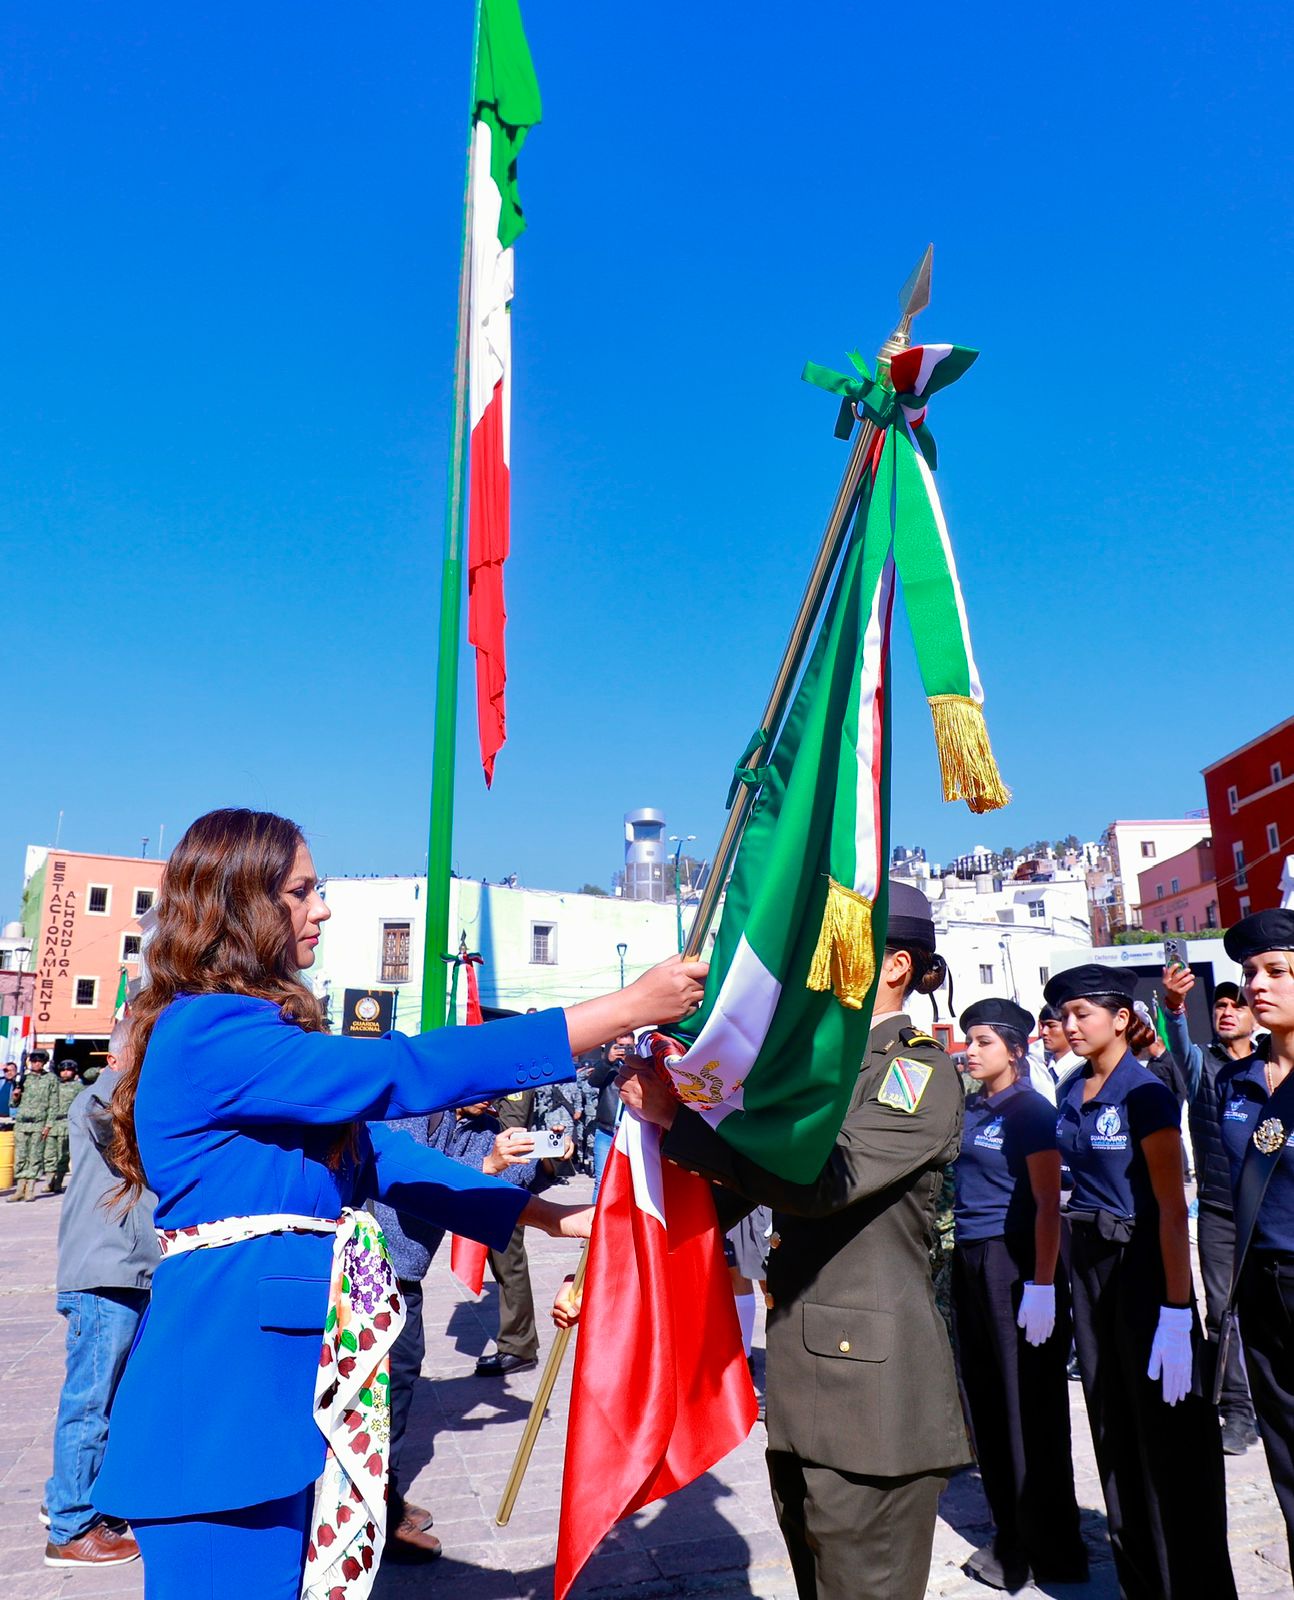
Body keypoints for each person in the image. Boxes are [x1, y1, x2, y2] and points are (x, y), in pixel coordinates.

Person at [90, 807, 706, 1598]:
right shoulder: (211, 1032)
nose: (323, 908)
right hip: (221, 1404)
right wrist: (620, 1009)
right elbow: (404, 1072)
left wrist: (545, 1217)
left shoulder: (244, 1034)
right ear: (244, 902)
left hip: (268, 1393)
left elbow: (379, 1152)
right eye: (302, 891)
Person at [618, 881, 969, 1600]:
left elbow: (822, 1181)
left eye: (836, 951)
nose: (816, 972)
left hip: (876, 1410)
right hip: (811, 1398)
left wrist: (683, 1124)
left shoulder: (917, 1070)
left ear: (894, 967)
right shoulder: (822, 1078)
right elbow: (732, 1188)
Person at [1045, 963, 1235, 1600]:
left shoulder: (1144, 1092)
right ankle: (1141, 1581)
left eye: (1082, 1014)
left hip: (1144, 1269)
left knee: (1169, 1436)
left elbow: (1171, 1205)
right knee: (1112, 1423)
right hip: (1089, 1266)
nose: (1070, 1026)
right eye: (1064, 1015)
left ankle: (1193, 1581)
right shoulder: (1073, 1090)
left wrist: (1178, 1312)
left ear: (1122, 1019)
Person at [951, 999, 1086, 1593]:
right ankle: (1011, 1531)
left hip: (1014, 1264)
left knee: (1025, 1407)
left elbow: (1048, 1203)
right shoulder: (977, 1107)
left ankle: (1047, 1543)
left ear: (1015, 1048)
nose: (971, 1051)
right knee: (987, 1402)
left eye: (982, 1041)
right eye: (969, 1041)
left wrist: (1040, 1283)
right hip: (973, 1260)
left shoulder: (1030, 1111)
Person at [43, 1019, 157, 1569]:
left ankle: (90, 1502)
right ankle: (70, 1526)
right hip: (103, 1274)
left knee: (110, 1400)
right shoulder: (104, 1096)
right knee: (89, 1402)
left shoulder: (121, 1092)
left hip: (127, 1268)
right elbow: (129, 1144)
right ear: (118, 1057)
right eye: (148, 1047)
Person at [1215, 910, 1294, 1566]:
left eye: (1275, 971)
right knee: (1289, 1463)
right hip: (1262, 1283)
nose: (1256, 986)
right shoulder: (1236, 1081)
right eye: (1249, 975)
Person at [1159, 966, 1260, 1453]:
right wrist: (1174, 1008)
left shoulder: (1271, 1065)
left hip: (1270, 1211)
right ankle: (1238, 1412)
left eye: (1234, 1004)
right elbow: (1178, 1047)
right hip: (1220, 1212)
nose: (1225, 1011)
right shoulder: (1202, 1065)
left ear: (1254, 1015)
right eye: (1219, 1005)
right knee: (1224, 1314)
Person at [587, 1033, 631, 1197]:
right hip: (606, 1131)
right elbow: (593, 1082)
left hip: (630, 1132)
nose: (624, 1050)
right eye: (620, 1046)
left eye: (628, 1047)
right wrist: (607, 1061)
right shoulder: (607, 1068)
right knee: (601, 1181)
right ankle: (594, 1221)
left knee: (630, 1182)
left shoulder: (641, 1069)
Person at [9, 1048, 55, 1202]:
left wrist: (48, 1125)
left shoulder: (50, 1079)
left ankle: (30, 1189)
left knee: (35, 1156)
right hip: (22, 1124)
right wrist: (15, 1096)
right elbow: (13, 1104)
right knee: (20, 1157)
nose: (36, 1063)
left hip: (38, 1124)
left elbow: (54, 1104)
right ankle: (19, 1190)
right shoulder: (23, 1079)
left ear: (44, 1062)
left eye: (39, 1061)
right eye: (34, 1060)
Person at [46, 1059, 87, 1195]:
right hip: (52, 1123)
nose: (65, 1072)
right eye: (63, 1070)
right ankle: (49, 1181)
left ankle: (58, 1182)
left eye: (68, 1070)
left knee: (63, 1155)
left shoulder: (78, 1087)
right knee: (49, 1155)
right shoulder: (54, 1085)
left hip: (67, 1123)